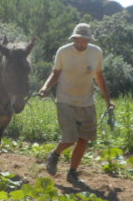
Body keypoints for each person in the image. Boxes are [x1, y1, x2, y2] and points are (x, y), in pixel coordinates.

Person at [38, 23, 114, 185]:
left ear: (89, 40)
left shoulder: (96, 52)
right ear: (73, 39)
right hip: (65, 100)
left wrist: (108, 100)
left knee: (84, 139)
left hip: (86, 101)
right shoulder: (63, 52)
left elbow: (99, 77)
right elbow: (56, 72)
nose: (81, 44)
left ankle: (72, 172)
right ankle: (55, 154)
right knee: (70, 138)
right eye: (78, 40)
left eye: (84, 41)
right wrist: (45, 87)